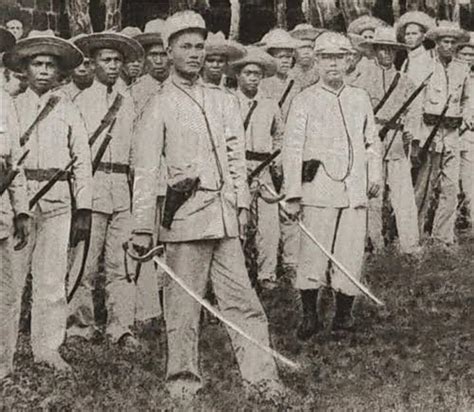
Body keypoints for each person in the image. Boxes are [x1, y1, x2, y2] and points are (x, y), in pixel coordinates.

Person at [131, 10, 281, 400]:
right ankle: (182, 383)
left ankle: (262, 378)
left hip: (224, 217)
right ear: (168, 51)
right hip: (184, 219)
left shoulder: (222, 99)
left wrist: (242, 205)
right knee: (182, 309)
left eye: (200, 47)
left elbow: (235, 157)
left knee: (243, 302)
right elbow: (146, 170)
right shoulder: (157, 103)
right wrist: (142, 226)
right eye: (186, 47)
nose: (195, 54)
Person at [3, 30, 92, 370]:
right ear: (24, 70)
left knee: (52, 279)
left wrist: (83, 206)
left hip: (58, 201)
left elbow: (82, 160)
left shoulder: (68, 110)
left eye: (49, 65)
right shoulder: (11, 106)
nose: (42, 70)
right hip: (18, 204)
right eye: (36, 64)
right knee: (11, 283)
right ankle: (4, 355)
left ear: (59, 72)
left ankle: (48, 348)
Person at [283, 32, 381, 340]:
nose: (333, 64)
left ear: (350, 60)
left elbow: (371, 142)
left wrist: (374, 175)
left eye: (339, 57)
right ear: (316, 61)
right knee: (313, 252)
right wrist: (294, 193)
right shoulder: (304, 99)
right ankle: (310, 315)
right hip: (318, 189)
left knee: (350, 252)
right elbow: (292, 148)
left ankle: (343, 315)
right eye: (326, 57)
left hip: (354, 189)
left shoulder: (359, 97)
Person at [69, 32, 144, 349]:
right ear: (93, 63)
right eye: (106, 60)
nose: (113, 66)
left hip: (122, 191)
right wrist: (79, 199)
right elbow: (74, 154)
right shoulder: (79, 103)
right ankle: (78, 325)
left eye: (117, 61)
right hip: (91, 188)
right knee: (83, 263)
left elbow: (136, 152)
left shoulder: (130, 103)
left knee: (122, 264)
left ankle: (120, 327)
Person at [351, 27, 420, 254]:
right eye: (382, 49)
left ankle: (410, 244)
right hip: (372, 139)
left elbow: (413, 111)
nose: (387, 54)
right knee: (373, 193)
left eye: (391, 50)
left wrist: (410, 130)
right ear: (375, 51)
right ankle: (375, 242)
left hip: (397, 140)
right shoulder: (362, 80)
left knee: (403, 194)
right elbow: (357, 113)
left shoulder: (405, 80)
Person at [413, 21, 472, 247]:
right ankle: (414, 234)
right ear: (436, 43)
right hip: (430, 133)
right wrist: (417, 137)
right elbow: (416, 102)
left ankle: (442, 237)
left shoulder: (461, 68)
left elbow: (468, 98)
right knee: (424, 186)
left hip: (453, 134)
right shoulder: (425, 66)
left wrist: (466, 115)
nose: (448, 45)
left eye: (452, 42)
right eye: (444, 41)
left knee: (451, 188)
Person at [231, 46, 283, 290]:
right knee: (237, 226)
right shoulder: (229, 102)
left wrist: (276, 162)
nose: (252, 78)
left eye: (257, 74)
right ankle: (237, 278)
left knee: (269, 228)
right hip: (237, 169)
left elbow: (279, 136)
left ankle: (267, 276)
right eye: (248, 73)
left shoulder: (270, 105)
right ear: (238, 75)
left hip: (264, 170)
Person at [130, 18, 169, 326]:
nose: (159, 60)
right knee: (145, 239)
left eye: (163, 54)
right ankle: (146, 308)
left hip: (176, 180)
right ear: (144, 58)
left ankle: (171, 301)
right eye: (152, 55)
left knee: (174, 243)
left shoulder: (177, 90)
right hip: (146, 178)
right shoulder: (135, 93)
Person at [0, 27, 30, 381]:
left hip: (2, 215)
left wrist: (21, 209)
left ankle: (3, 367)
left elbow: (15, 161)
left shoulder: (5, 101)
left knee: (6, 296)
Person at [456, 32, 474, 234]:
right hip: (451, 134)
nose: (468, 58)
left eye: (472, 54)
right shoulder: (451, 74)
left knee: (470, 184)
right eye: (465, 54)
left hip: (470, 137)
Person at [397, 11, 436, 85]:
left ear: (423, 36)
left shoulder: (428, 58)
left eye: (414, 33)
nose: (410, 37)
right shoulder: (406, 60)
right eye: (407, 34)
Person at [289, 23, 323, 90]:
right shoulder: (289, 75)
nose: (306, 52)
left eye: (309, 47)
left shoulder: (322, 72)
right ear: (293, 52)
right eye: (301, 48)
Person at [61, 34, 94, 101]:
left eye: (87, 64)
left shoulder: (104, 94)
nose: (82, 69)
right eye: (78, 64)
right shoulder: (60, 95)